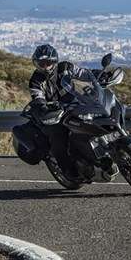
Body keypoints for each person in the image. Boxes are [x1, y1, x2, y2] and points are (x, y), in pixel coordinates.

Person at [29, 44, 79, 180]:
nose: (45, 66)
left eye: (48, 63)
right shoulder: (36, 80)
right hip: (53, 113)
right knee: (58, 137)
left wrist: (100, 76)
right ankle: (68, 170)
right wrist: (43, 105)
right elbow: (37, 95)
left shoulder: (65, 67)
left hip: (74, 106)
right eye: (41, 63)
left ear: (54, 61)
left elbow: (83, 73)